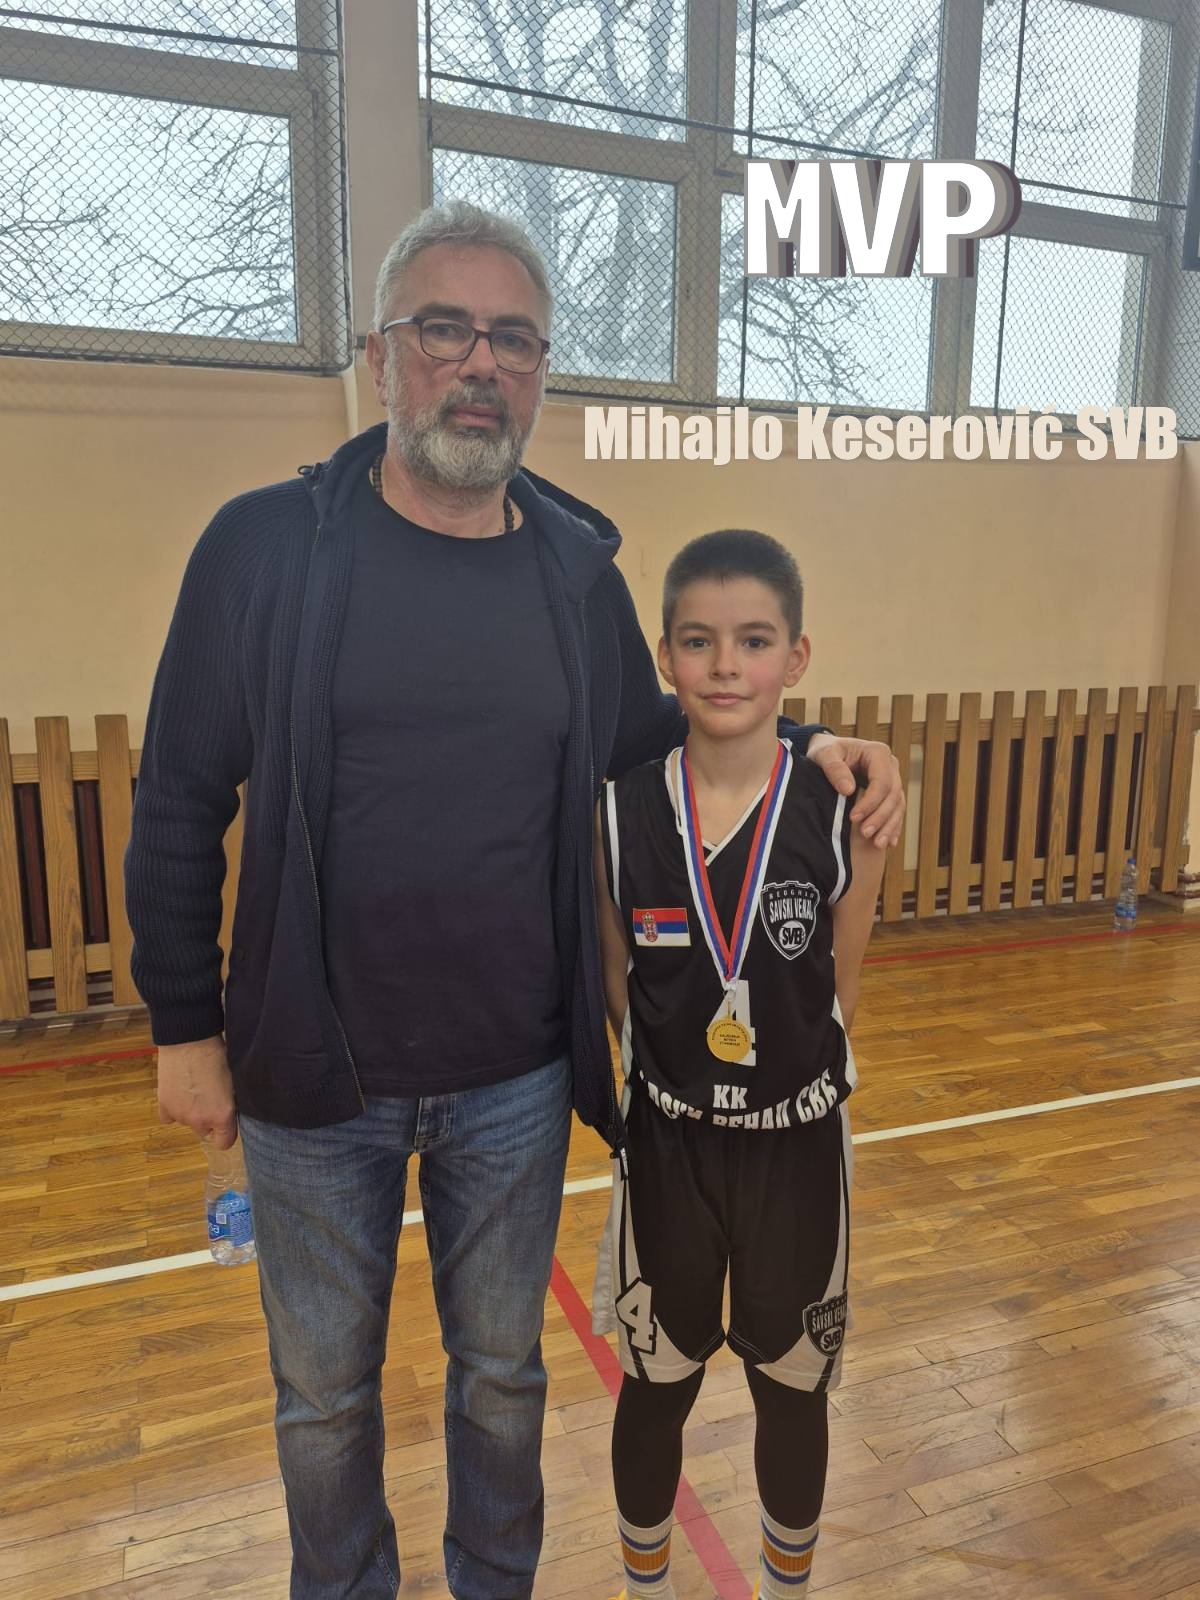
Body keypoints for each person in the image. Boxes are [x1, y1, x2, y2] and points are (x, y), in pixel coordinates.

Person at [125, 201, 903, 1600]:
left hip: (515, 1077)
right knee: (324, 1399)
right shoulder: (264, 551)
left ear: (540, 375)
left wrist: (811, 745)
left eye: (514, 340)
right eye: (445, 329)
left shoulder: (572, 574)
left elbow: (662, 748)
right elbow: (179, 790)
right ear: (382, 357)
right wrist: (185, 1026)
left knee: (501, 1377)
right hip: (312, 1076)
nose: (479, 362)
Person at [593, 528, 886, 1598]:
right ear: (664, 657)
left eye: (754, 641)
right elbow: (619, 986)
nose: (726, 665)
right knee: (655, 1384)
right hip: (668, 1148)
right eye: (699, 641)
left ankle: (785, 1587)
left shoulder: (847, 807)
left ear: (795, 658)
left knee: (791, 1388)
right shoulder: (618, 810)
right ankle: (645, 1585)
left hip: (797, 1151)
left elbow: (841, 989)